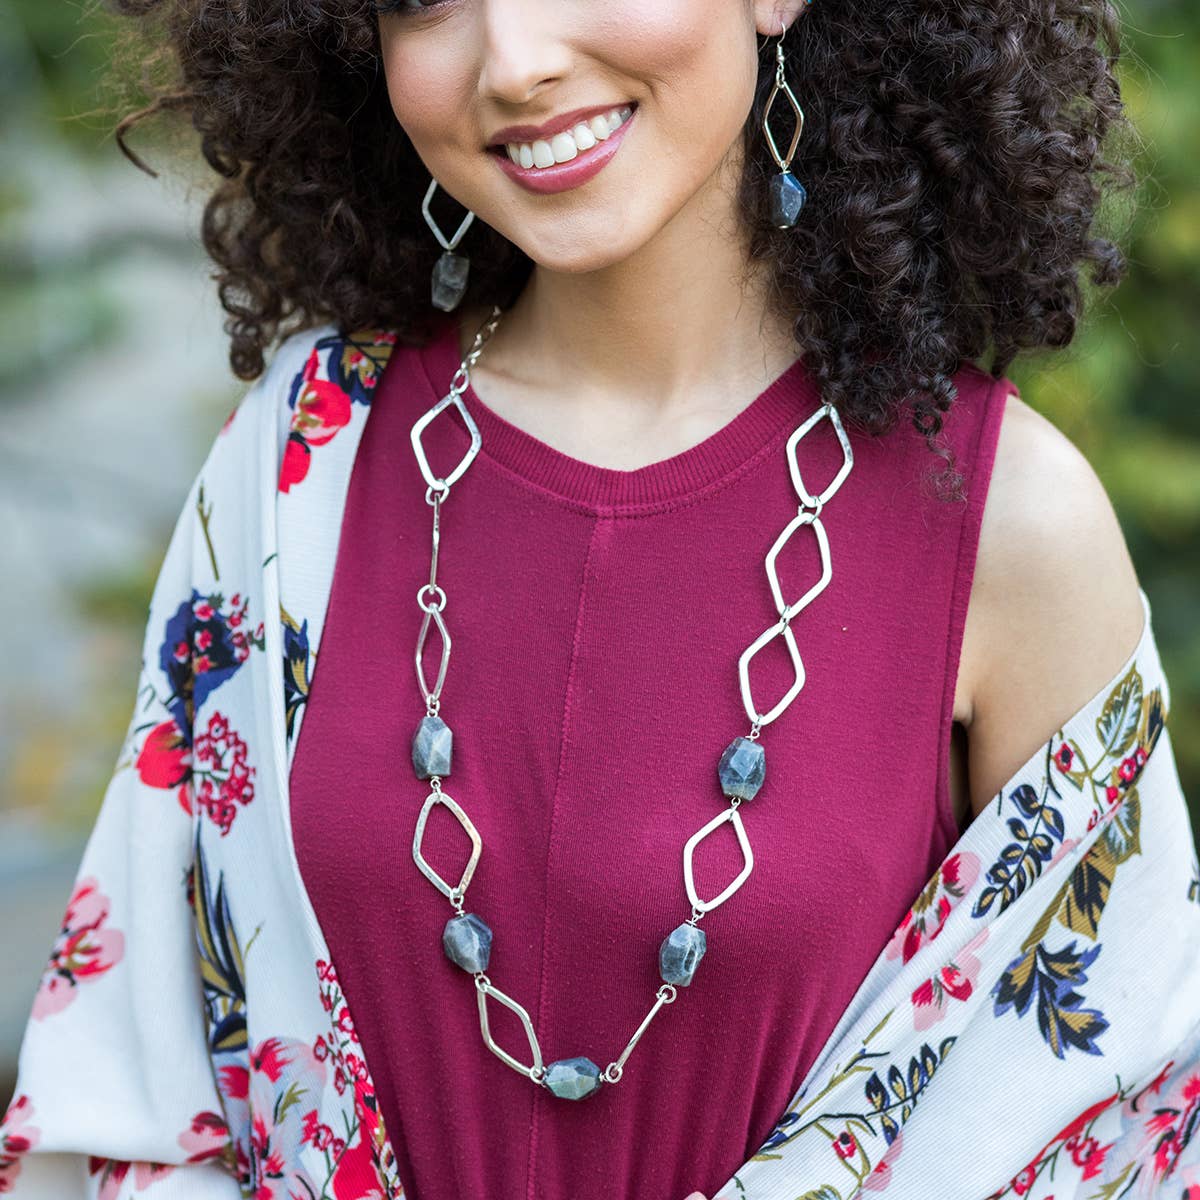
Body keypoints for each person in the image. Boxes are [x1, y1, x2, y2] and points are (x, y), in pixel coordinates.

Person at [3, 2, 1198, 1198]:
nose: (515, 61)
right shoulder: (299, 463)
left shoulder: (1009, 526)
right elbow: (137, 1092)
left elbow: (1112, 1133)